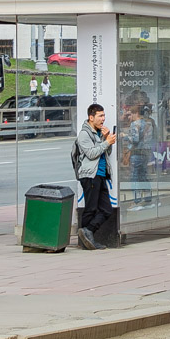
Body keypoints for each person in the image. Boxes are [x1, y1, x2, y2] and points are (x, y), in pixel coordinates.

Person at [74, 103, 117, 251]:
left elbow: (107, 152)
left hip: (101, 174)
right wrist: (106, 142)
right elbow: (91, 154)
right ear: (91, 117)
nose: (103, 119)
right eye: (100, 116)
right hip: (90, 175)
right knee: (91, 208)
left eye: (104, 116)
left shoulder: (99, 133)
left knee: (107, 209)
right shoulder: (84, 134)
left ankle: (88, 231)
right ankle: (86, 240)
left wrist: (107, 140)